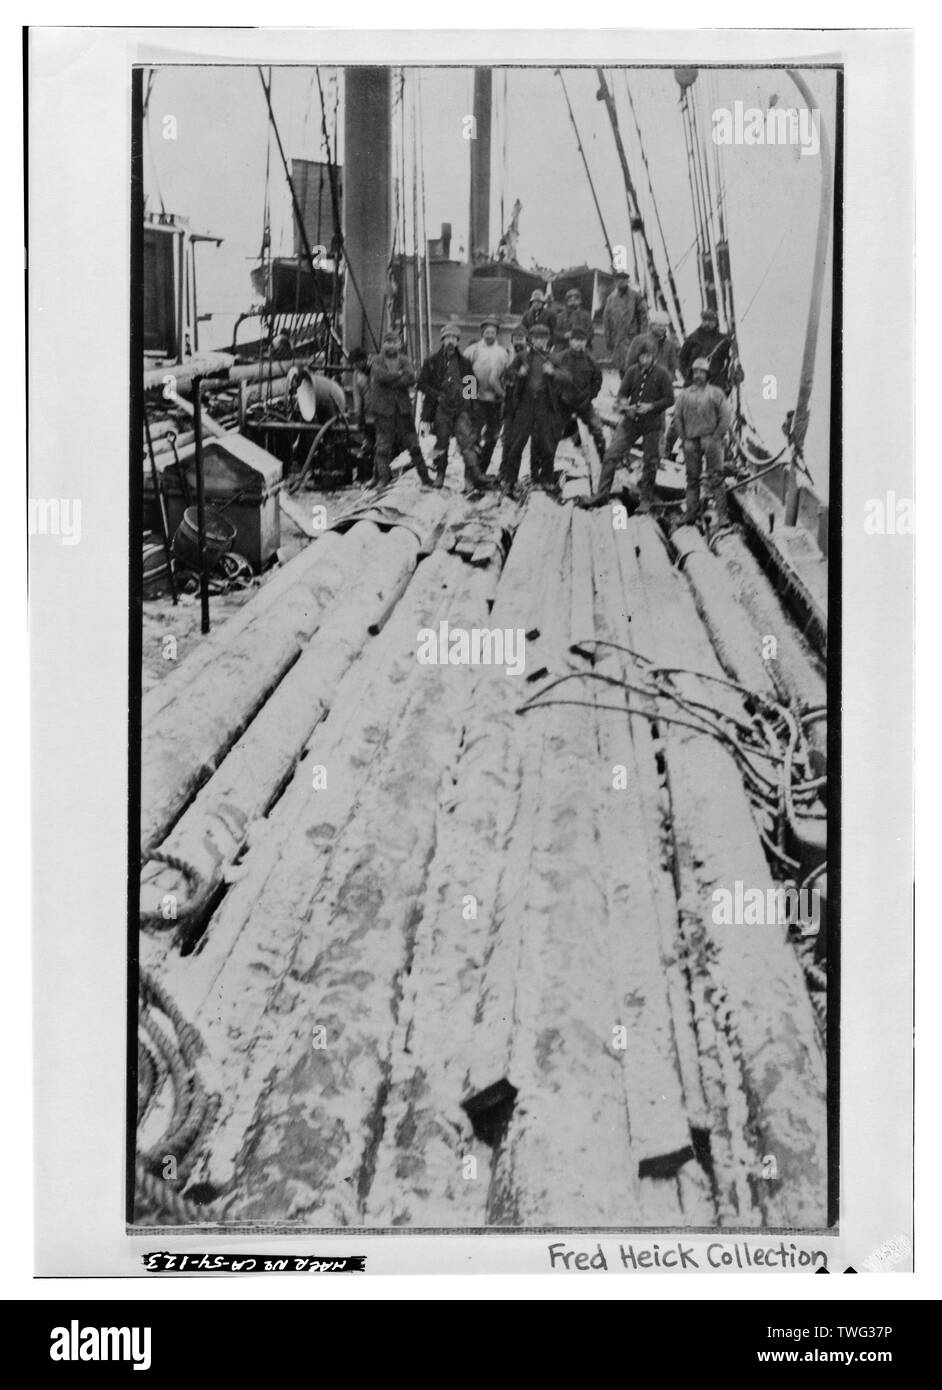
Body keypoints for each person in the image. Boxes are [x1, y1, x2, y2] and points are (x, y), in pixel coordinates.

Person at [579, 342, 674, 510]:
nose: (644, 360)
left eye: (648, 357)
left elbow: (669, 399)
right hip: (632, 421)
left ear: (653, 357)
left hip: (652, 424)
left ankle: (646, 498)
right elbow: (623, 393)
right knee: (611, 455)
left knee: (650, 461)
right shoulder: (632, 372)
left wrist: (651, 406)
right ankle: (602, 494)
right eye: (642, 356)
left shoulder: (662, 374)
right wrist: (624, 405)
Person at [417, 325, 488, 495]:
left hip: (461, 408)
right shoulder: (431, 362)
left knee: (466, 443)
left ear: (457, 341)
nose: (450, 341)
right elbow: (422, 384)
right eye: (447, 338)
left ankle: (472, 478)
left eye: (453, 338)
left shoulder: (464, 362)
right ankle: (439, 475)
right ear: (442, 341)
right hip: (441, 408)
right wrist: (437, 395)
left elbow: (472, 383)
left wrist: (469, 404)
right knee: (441, 442)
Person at [499, 320, 564, 498]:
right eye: (536, 338)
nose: (539, 342)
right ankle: (510, 481)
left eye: (543, 339)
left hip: (544, 405)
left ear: (548, 340)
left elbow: (567, 377)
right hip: (525, 404)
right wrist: (518, 374)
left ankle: (546, 479)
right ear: (530, 340)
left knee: (546, 443)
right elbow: (505, 375)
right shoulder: (522, 357)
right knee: (516, 444)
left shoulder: (553, 358)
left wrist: (554, 373)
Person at [366, 331, 431, 488]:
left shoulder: (404, 360)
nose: (391, 345)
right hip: (383, 410)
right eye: (388, 341)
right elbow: (380, 376)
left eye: (394, 342)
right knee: (382, 446)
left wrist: (391, 379)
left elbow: (411, 377)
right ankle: (382, 478)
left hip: (402, 410)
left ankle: (425, 477)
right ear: (383, 344)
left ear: (399, 344)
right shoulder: (376, 360)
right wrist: (398, 375)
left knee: (413, 445)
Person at [674, 356, 732, 526]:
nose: (698, 375)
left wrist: (717, 436)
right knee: (692, 479)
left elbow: (725, 416)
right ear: (691, 374)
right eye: (696, 371)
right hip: (691, 441)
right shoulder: (684, 395)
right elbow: (677, 418)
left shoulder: (716, 393)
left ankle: (722, 516)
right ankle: (691, 513)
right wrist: (683, 437)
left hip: (711, 439)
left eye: (702, 372)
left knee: (716, 478)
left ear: (707, 375)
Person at [552, 324, 606, 461]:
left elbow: (597, 382)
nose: (578, 344)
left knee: (597, 429)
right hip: (563, 403)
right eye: (576, 340)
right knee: (553, 432)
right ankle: (547, 464)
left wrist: (589, 397)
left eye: (582, 340)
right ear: (570, 341)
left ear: (586, 342)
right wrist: (560, 397)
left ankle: (603, 460)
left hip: (584, 404)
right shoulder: (559, 358)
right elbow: (552, 381)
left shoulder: (591, 361)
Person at [465, 317, 510, 476]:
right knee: (473, 436)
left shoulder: (503, 353)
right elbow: (466, 373)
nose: (489, 335)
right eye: (486, 332)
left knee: (492, 436)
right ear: (482, 333)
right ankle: (471, 472)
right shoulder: (473, 350)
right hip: (477, 400)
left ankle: (482, 470)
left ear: (496, 334)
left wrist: (503, 395)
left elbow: (506, 375)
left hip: (495, 401)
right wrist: (469, 397)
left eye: (492, 332)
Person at [603, 271, 648, 372]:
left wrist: (642, 338)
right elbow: (606, 320)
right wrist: (608, 339)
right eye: (619, 280)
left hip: (632, 339)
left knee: (634, 367)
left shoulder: (636, 297)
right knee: (621, 368)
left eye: (624, 280)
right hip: (617, 340)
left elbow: (644, 318)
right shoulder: (611, 299)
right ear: (615, 282)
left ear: (628, 281)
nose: (621, 282)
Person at [679, 308, 732, 390]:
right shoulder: (693, 338)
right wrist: (688, 376)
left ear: (716, 322)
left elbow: (730, 360)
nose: (707, 323)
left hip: (715, 383)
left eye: (710, 321)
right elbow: (682, 358)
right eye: (705, 320)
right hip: (694, 382)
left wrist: (723, 379)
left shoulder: (723, 340)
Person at [625, 309, 680, 377]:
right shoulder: (639, 341)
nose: (662, 328)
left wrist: (667, 380)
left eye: (665, 326)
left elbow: (672, 367)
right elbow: (630, 365)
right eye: (660, 325)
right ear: (652, 325)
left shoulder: (669, 344)